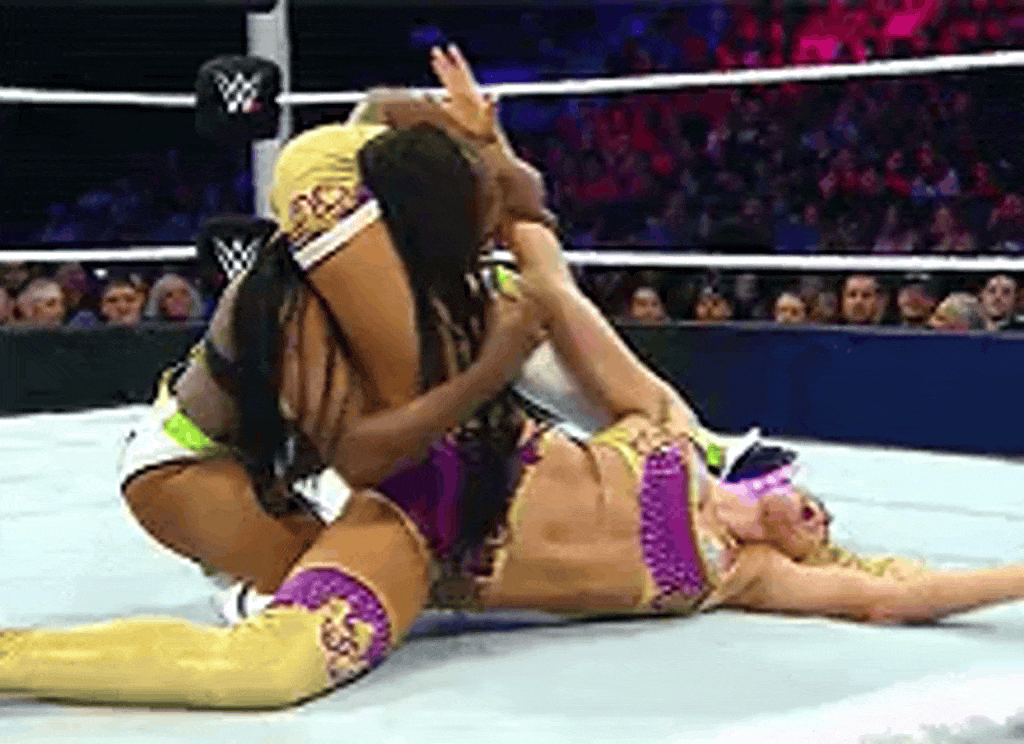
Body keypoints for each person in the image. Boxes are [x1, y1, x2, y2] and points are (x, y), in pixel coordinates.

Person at [7, 219, 1024, 711]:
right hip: (457, 439)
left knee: (267, 672)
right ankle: (214, 406)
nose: (820, 515)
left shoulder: (743, 574)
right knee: (390, 272)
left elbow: (895, 597)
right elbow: (554, 289)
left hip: (424, 543)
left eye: (828, 530)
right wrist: (493, 168)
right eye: (817, 503)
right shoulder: (667, 434)